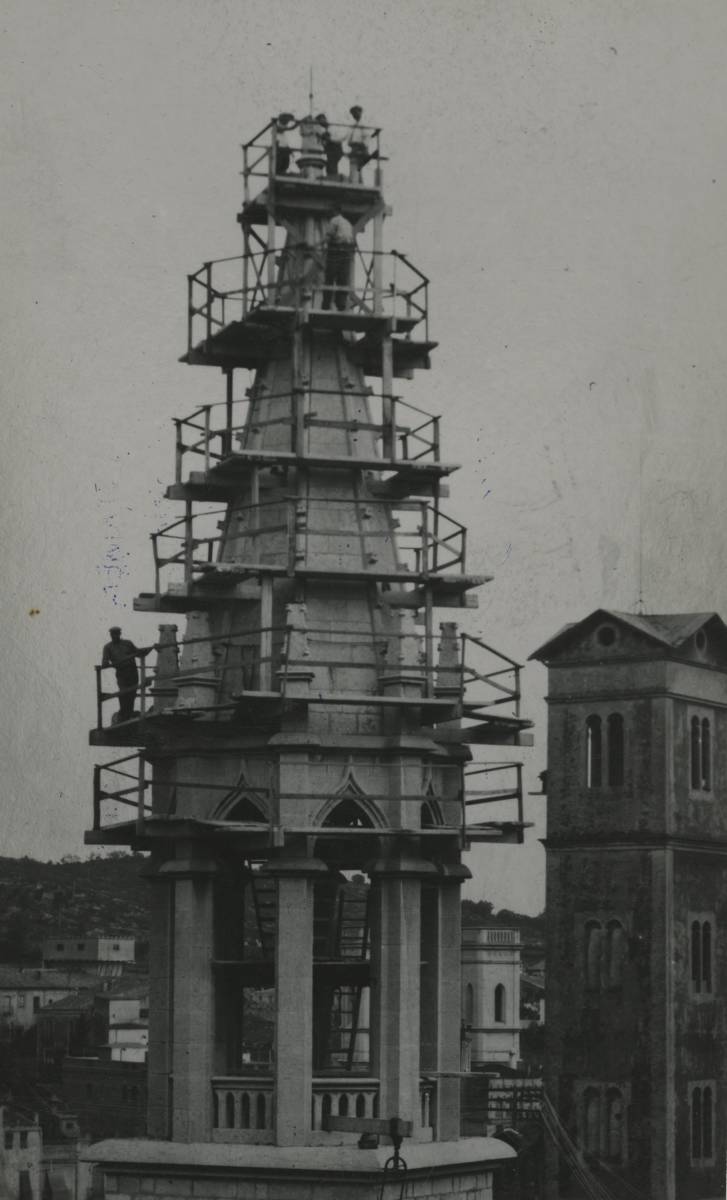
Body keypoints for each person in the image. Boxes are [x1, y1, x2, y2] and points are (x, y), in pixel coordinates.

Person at [101, 626, 139, 722]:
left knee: (132, 694)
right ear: (110, 635)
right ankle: (123, 715)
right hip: (122, 673)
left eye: (116, 634)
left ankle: (129, 714)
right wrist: (109, 663)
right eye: (112, 634)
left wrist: (152, 648)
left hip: (133, 672)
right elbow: (104, 662)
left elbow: (139, 653)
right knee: (123, 693)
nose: (114, 636)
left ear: (119, 634)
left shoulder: (128, 643)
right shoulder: (108, 647)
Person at [322, 207, 355, 311]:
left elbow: (328, 237)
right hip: (347, 251)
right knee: (343, 278)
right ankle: (341, 304)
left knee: (330, 277)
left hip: (335, 250)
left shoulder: (334, 220)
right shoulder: (348, 223)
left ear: (335, 212)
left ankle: (326, 304)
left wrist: (319, 245)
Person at [347, 105, 371, 183]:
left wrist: (364, 148)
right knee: (356, 167)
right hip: (354, 148)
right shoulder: (354, 125)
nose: (354, 115)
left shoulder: (363, 124)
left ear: (360, 113)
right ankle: (358, 182)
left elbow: (367, 136)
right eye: (353, 113)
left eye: (356, 112)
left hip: (360, 148)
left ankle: (355, 182)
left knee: (355, 166)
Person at [317, 113, 345, 179]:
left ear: (324, 119)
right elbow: (324, 143)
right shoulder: (324, 130)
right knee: (329, 165)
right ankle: (332, 177)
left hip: (336, 148)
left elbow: (340, 138)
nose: (320, 123)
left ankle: (333, 178)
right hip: (329, 150)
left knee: (332, 164)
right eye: (319, 122)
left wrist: (330, 139)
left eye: (321, 120)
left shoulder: (333, 128)